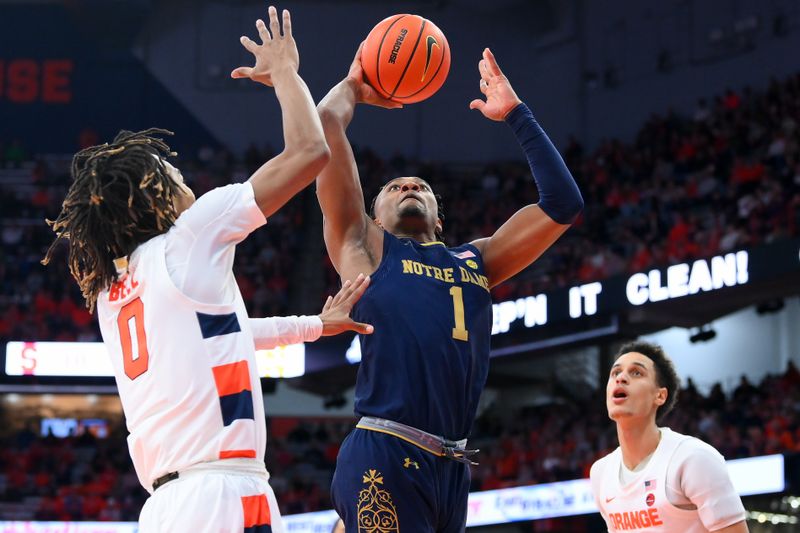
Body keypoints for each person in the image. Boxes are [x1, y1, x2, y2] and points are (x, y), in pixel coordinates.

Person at [43, 6, 372, 532]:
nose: (180, 173)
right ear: (151, 195)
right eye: (169, 169)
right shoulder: (190, 235)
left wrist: (314, 326)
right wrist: (286, 72)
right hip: (221, 491)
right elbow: (311, 152)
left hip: (163, 507)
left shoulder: (114, 291)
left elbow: (223, 335)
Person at [316, 46, 583, 532]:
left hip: (451, 465)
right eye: (394, 187)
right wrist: (353, 87)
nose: (408, 187)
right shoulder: (365, 247)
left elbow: (563, 203)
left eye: (419, 186)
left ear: (440, 217)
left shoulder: (478, 259)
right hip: (387, 450)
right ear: (374, 215)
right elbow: (324, 128)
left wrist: (517, 115)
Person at [590, 341, 748, 532]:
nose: (621, 378)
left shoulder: (693, 458)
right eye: (615, 372)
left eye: (636, 372)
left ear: (660, 396)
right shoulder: (601, 472)